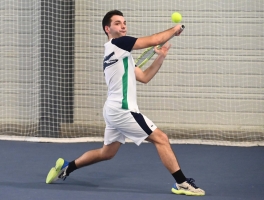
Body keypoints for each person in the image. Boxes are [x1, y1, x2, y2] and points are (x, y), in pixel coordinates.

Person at [46, 10, 205, 196]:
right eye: (117, 23)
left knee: (107, 153)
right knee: (161, 138)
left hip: (112, 110)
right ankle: (182, 183)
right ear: (108, 29)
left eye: (124, 22)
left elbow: (145, 77)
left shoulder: (119, 53)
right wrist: (175, 29)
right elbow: (155, 39)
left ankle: (67, 167)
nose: (123, 26)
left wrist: (161, 56)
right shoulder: (117, 44)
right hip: (122, 110)